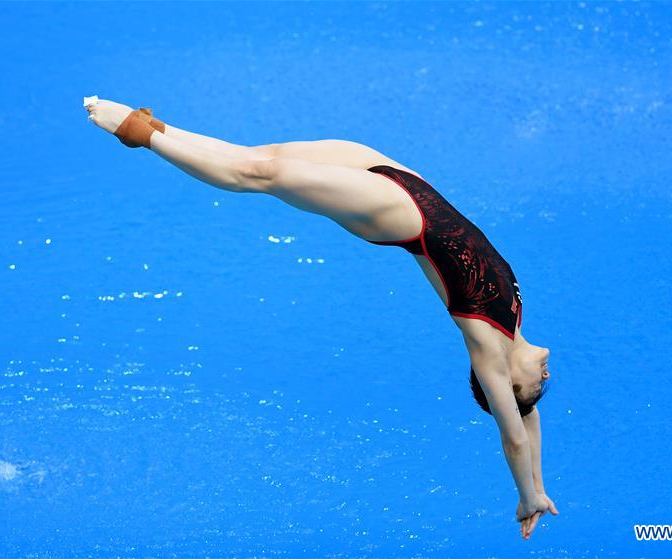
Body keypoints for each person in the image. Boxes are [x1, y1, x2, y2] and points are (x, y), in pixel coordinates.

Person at [86, 98, 559, 540]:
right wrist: (539, 480)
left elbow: (515, 433)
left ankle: (138, 134)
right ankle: (160, 127)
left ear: (505, 384)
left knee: (262, 173)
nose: (546, 376)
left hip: (397, 214)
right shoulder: (514, 320)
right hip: (401, 178)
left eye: (536, 386)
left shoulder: (488, 349)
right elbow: (529, 418)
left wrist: (526, 496)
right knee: (261, 154)